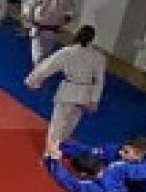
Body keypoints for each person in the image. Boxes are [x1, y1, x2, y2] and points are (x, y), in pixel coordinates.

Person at [26, 24, 109, 156]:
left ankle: (50, 152)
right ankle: (59, 145)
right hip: (84, 94)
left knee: (57, 124)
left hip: (68, 91)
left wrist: (33, 80)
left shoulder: (67, 52)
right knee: (71, 123)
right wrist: (95, 100)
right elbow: (100, 81)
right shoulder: (98, 57)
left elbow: (48, 66)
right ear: (92, 39)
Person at [22, 0, 77, 68]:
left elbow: (72, 11)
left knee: (46, 54)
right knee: (37, 57)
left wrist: (67, 19)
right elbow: (28, 7)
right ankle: (37, 72)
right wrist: (27, 18)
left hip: (52, 30)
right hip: (38, 29)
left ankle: (39, 71)